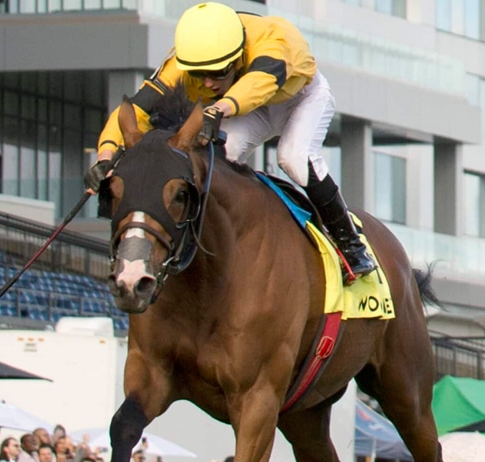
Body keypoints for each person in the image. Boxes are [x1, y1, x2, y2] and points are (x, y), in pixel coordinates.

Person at [85, 2, 375, 284]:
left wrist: (218, 110)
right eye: (200, 75)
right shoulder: (180, 63)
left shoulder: (273, 42)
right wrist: (105, 157)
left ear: (237, 57)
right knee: (223, 157)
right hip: (246, 107)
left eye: (218, 73)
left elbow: (259, 83)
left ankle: (350, 244)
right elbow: (136, 110)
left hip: (300, 99)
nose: (208, 83)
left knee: (293, 158)